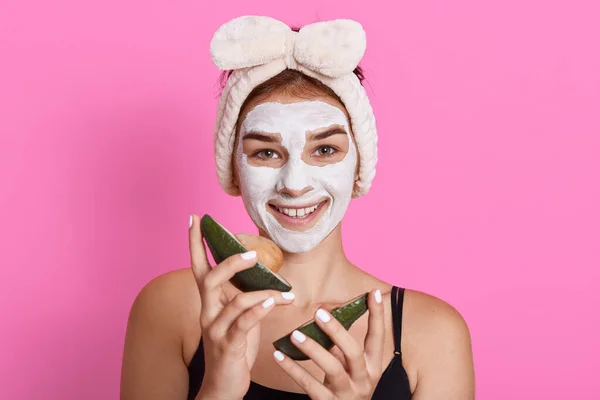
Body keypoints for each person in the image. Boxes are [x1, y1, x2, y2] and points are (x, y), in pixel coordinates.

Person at [120, 16, 475, 400]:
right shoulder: (173, 308)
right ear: (234, 170)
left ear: (358, 166)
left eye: (324, 150)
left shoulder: (433, 333)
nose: (294, 183)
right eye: (266, 152)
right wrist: (218, 389)